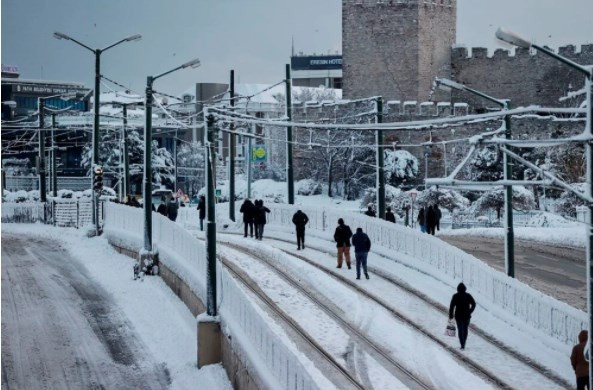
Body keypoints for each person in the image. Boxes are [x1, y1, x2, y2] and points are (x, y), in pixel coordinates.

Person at [449, 282, 476, 350]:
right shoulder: (468, 296)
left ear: (458, 289)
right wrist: (470, 311)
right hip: (467, 316)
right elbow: (474, 304)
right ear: (465, 289)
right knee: (465, 329)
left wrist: (451, 315)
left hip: (458, 316)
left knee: (460, 330)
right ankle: (464, 342)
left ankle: (462, 344)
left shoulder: (455, 296)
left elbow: (452, 306)